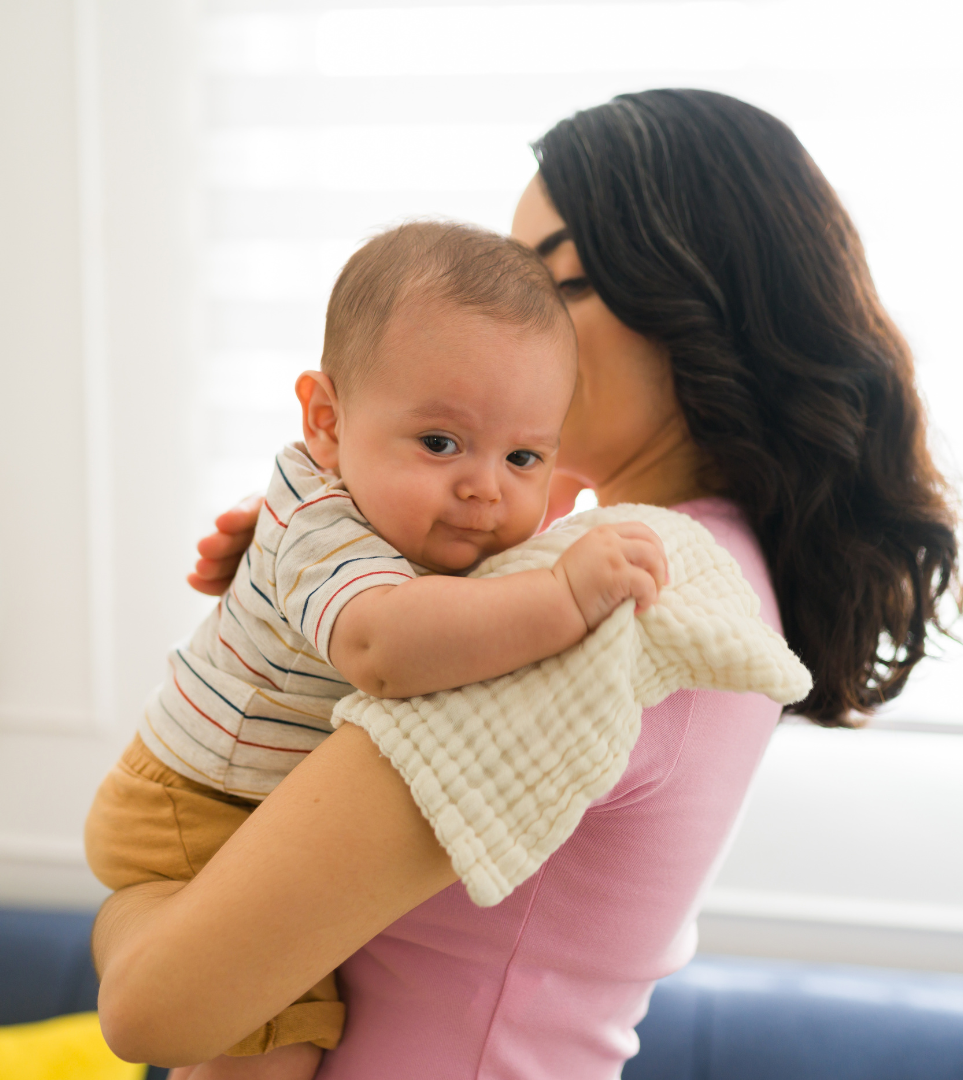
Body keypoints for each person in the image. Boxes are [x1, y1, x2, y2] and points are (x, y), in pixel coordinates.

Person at [93, 90, 959, 1080]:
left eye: (552, 283)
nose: (507, 322)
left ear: (687, 301)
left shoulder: (602, 594)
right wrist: (319, 552)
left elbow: (156, 1007)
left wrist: (127, 909)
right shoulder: (701, 572)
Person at [84, 221, 669, 1080]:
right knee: (279, 1051)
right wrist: (564, 595)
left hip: (247, 806)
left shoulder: (421, 520)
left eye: (523, 456)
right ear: (326, 420)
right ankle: (136, 915)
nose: (483, 487)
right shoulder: (326, 528)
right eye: (440, 443)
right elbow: (381, 647)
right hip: (200, 809)